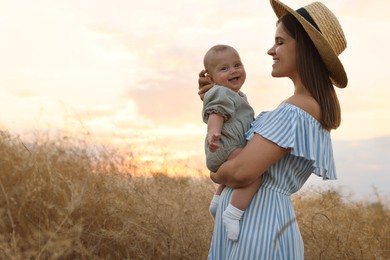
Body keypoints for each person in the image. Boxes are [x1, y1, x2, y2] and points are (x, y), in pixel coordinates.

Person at [198, 0, 348, 258]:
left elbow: (241, 172)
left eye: (280, 42)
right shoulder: (302, 108)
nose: (271, 50)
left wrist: (216, 174)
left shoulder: (296, 110)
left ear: (305, 49)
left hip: (260, 231)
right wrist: (218, 97)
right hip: (256, 228)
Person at [201, 44, 262, 241]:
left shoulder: (236, 95)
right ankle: (233, 213)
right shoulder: (221, 92)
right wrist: (214, 133)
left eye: (237, 64)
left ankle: (217, 201)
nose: (233, 70)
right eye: (224, 68)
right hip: (224, 145)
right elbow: (216, 113)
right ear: (211, 79)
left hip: (225, 147)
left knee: (232, 176)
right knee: (254, 174)